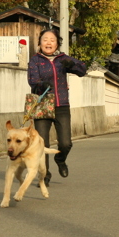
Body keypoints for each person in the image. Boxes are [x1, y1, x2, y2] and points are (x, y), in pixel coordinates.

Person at [27, 28, 88, 184]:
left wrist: (71, 63)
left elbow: (82, 70)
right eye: (45, 39)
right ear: (40, 43)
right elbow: (32, 81)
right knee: (42, 144)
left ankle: (60, 160)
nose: (48, 43)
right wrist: (41, 84)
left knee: (66, 143)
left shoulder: (62, 59)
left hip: (62, 106)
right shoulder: (35, 60)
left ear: (57, 43)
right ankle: (45, 174)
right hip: (43, 106)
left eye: (52, 40)